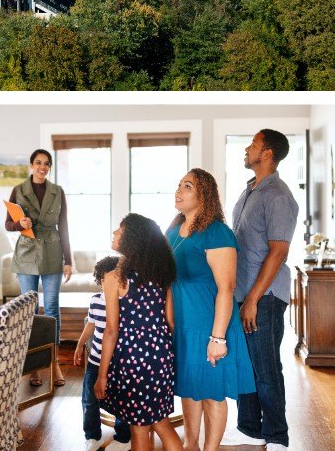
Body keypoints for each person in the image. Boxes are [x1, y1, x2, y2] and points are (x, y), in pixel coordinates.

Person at [167, 169, 255, 451]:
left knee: (211, 393)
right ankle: (190, 444)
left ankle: (210, 448)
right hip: (182, 325)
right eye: (179, 185)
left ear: (203, 195)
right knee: (190, 388)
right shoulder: (174, 228)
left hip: (210, 325)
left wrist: (218, 338)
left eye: (187, 186)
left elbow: (226, 289)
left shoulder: (217, 232)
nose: (179, 190)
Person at [222, 130, 298, 451]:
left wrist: (252, 299)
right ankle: (250, 429)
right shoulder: (250, 190)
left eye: (253, 144)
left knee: (266, 367)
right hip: (243, 294)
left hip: (263, 297)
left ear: (267, 153)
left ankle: (277, 436)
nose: (247, 148)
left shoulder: (278, 195)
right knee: (245, 364)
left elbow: (278, 251)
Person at [95, 213, 182, 451]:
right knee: (161, 423)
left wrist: (102, 376)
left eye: (120, 230)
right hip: (160, 357)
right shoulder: (161, 275)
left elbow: (111, 331)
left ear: (132, 239)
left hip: (132, 361)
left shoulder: (114, 277)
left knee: (140, 431)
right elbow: (170, 322)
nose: (115, 232)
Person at [6, 148, 72, 386]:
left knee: (52, 308)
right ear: (31, 165)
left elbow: (63, 226)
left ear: (49, 167)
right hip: (26, 253)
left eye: (46, 163)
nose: (42, 167)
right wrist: (19, 223)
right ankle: (33, 365)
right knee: (30, 310)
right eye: (38, 163)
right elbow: (8, 224)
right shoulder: (18, 190)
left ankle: (54, 362)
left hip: (53, 252)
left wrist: (69, 259)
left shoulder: (57, 191)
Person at [73, 255, 131, 451]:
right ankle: (92, 436)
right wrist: (80, 344)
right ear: (100, 280)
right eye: (105, 279)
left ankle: (123, 437)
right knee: (89, 400)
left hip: (119, 362)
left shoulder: (126, 302)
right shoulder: (96, 300)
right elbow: (91, 324)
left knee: (122, 400)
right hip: (96, 361)